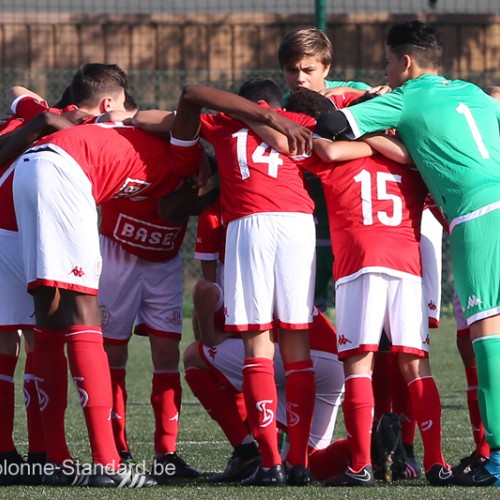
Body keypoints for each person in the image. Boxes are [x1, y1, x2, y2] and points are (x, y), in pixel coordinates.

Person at [315, 19, 500, 487]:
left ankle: (496, 457)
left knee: (487, 335)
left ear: (405, 62)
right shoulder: (475, 93)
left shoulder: (405, 97)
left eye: (386, 61)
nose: (384, 69)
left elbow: (334, 124)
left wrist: (367, 103)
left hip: (476, 215)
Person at [1, 85, 207, 487]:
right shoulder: (188, 157)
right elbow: (190, 99)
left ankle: (54, 460)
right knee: (84, 315)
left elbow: (169, 205)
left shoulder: (123, 139)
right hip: (63, 174)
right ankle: (107, 463)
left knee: (50, 320)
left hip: (31, 171)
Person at [0, 64, 129, 486]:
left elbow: (16, 89)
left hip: (16, 222)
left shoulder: (36, 111)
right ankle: (44, 453)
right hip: (27, 226)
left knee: (16, 338)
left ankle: (23, 454)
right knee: (45, 330)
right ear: (108, 102)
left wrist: (44, 115)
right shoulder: (88, 124)